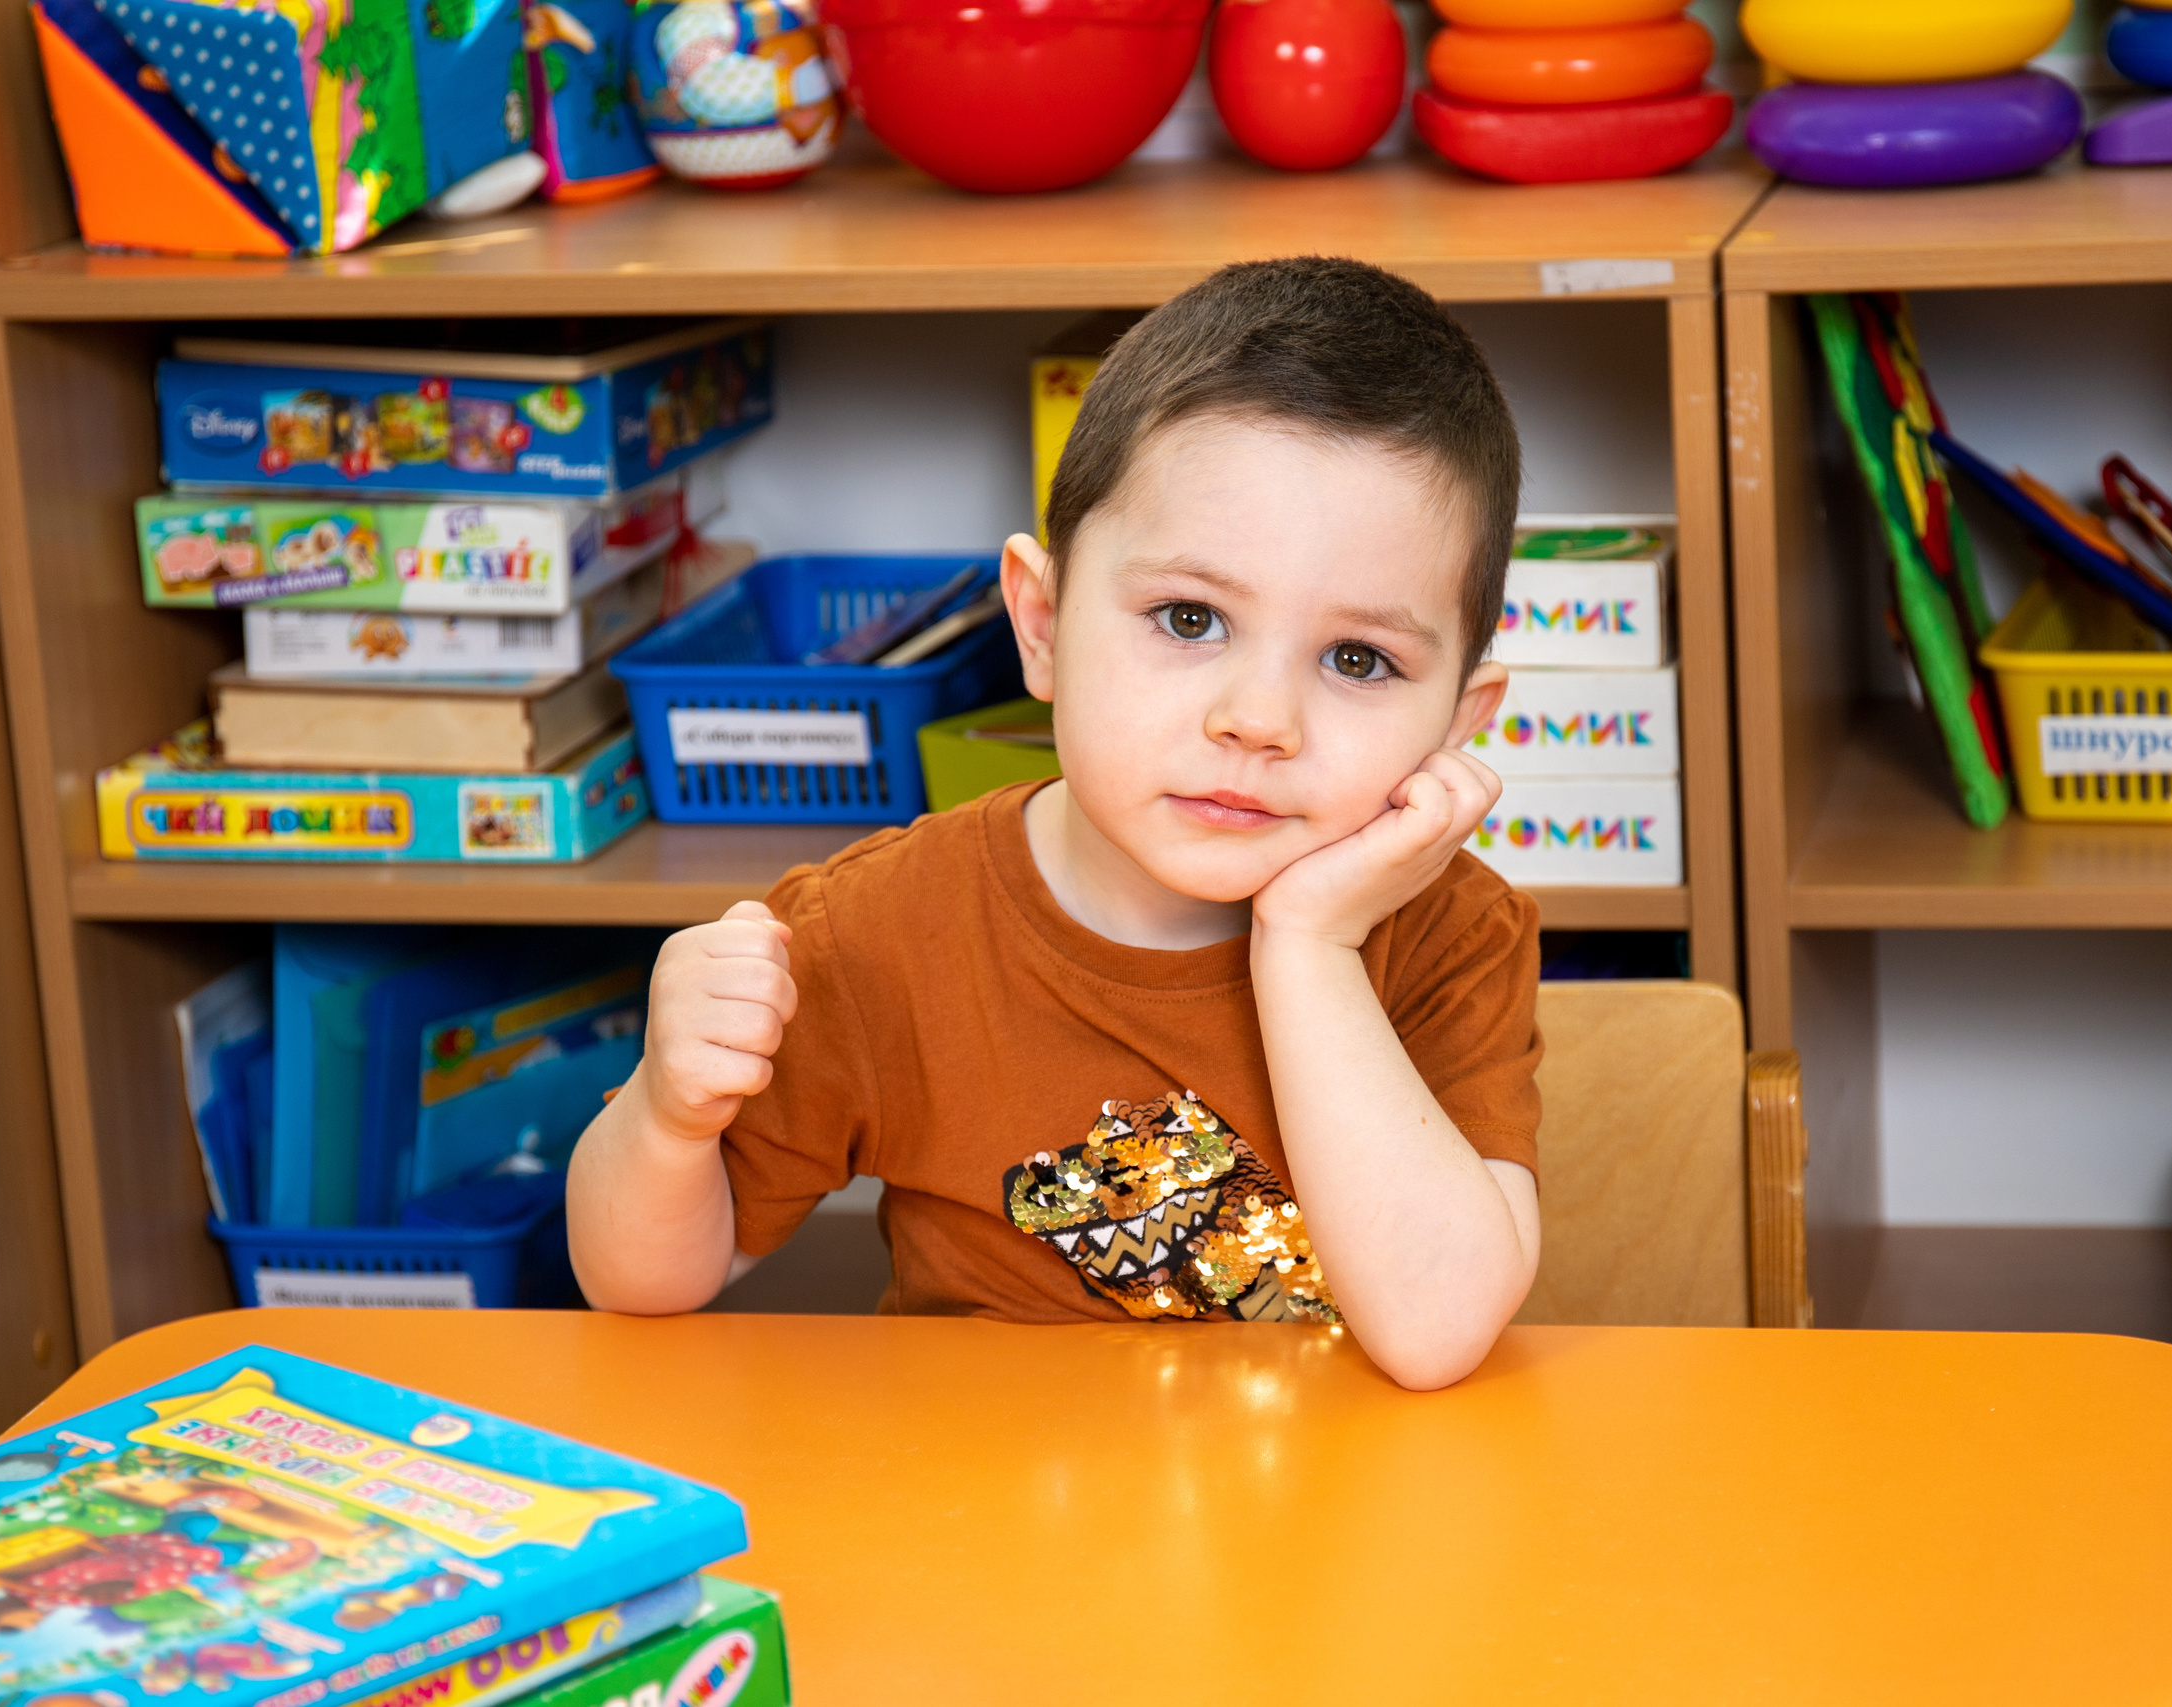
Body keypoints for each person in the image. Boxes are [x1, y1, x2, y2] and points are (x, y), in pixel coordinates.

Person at [570, 256, 1544, 1390]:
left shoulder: (1451, 934)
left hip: (1343, 1499)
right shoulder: (874, 931)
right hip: (987, 1494)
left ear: (1456, 720)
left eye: (1359, 660)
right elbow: (640, 1281)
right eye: (1190, 619)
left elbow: (1436, 1334)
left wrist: (1312, 945)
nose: (1259, 719)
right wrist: (667, 1115)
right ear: (1039, 625)